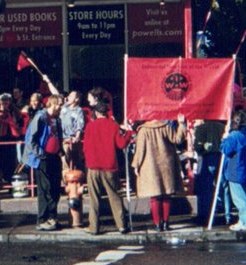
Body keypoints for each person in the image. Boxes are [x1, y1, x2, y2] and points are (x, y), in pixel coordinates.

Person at [82, 101, 132, 234]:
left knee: (94, 198)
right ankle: (121, 225)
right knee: (114, 196)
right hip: (109, 166)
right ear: (107, 113)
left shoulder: (90, 126)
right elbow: (121, 145)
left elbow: (85, 147)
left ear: (96, 113)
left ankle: (94, 227)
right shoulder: (113, 125)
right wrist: (128, 134)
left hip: (93, 166)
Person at [132, 114, 187, 232]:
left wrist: (136, 165)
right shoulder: (166, 126)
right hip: (167, 166)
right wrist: (181, 124)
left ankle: (157, 224)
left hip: (150, 167)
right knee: (166, 196)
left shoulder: (143, 130)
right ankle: (166, 222)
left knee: (154, 197)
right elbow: (178, 139)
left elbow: (140, 151)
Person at [23, 93, 64, 231]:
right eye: (59, 104)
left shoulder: (56, 119)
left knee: (55, 189)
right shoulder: (41, 117)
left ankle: (52, 217)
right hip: (43, 158)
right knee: (44, 190)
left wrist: (60, 150)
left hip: (54, 156)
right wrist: (40, 154)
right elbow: (31, 139)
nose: (61, 107)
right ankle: (42, 219)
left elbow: (58, 135)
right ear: (52, 103)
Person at [220, 110, 246, 231]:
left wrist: (224, 138)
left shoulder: (234, 136)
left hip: (236, 170)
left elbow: (226, 150)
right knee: (245, 196)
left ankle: (244, 222)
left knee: (240, 198)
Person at [60, 90, 88, 228]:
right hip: (63, 139)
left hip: (72, 140)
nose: (67, 98)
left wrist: (77, 136)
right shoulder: (63, 108)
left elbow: (79, 125)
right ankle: (66, 186)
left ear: (76, 99)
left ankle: (76, 188)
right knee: (65, 163)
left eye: (71, 96)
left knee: (76, 165)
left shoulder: (79, 111)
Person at [191, 119, 226, 225]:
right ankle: (225, 212)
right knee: (221, 186)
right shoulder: (222, 127)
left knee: (205, 188)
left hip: (206, 157)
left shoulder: (201, 128)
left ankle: (205, 214)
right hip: (219, 157)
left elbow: (197, 146)